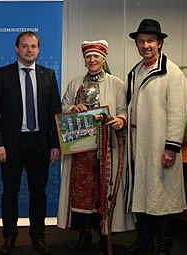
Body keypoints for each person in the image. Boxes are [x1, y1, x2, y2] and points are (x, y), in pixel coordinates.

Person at [56, 40, 135, 255]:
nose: (92, 60)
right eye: (88, 56)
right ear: (84, 60)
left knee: (103, 189)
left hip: (106, 147)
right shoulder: (75, 84)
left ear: (104, 58)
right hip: (80, 149)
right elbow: (63, 107)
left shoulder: (116, 84)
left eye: (96, 57)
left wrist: (120, 120)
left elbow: (124, 110)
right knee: (81, 192)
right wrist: (74, 107)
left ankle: (104, 234)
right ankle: (84, 234)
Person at [0, 31, 62, 255]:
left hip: (40, 143)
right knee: (10, 192)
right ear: (16, 48)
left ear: (39, 49)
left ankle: (38, 237)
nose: (29, 50)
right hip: (11, 144)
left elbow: (54, 112)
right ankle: (9, 236)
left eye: (33, 46)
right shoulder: (2, 74)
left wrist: (56, 143)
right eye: (25, 46)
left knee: (38, 192)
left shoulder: (48, 75)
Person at [124, 19, 187, 255]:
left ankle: (164, 247)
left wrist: (171, 147)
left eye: (150, 40)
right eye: (141, 41)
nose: (145, 45)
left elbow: (177, 112)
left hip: (160, 147)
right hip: (139, 146)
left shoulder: (171, 73)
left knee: (163, 198)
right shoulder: (136, 71)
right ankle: (144, 242)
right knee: (143, 195)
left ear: (159, 43)